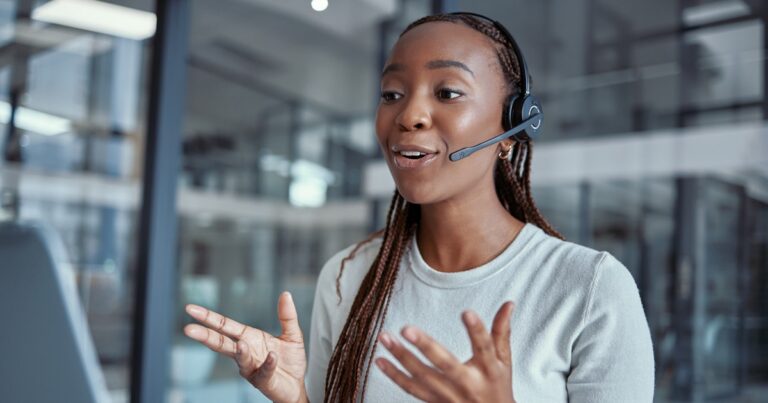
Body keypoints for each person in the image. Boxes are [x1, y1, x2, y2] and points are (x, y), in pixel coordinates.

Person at [184, 12, 654, 403]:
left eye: (448, 93)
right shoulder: (349, 276)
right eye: (392, 94)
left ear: (511, 129)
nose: (409, 115)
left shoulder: (590, 289)